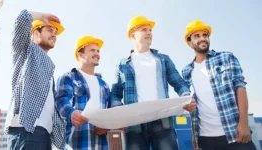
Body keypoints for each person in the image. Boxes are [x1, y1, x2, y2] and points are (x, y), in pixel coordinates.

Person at [110, 16, 196, 150]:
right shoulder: (122, 64)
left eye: (150, 30)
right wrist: (119, 113)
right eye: (144, 29)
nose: (149, 32)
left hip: (162, 122)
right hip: (134, 124)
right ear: (133, 35)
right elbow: (115, 93)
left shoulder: (162, 59)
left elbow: (178, 82)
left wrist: (186, 95)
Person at [182, 20, 257, 150]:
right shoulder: (187, 71)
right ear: (190, 43)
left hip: (234, 133)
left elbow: (240, 88)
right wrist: (194, 134)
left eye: (205, 35)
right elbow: (192, 104)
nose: (202, 39)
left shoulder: (226, 57)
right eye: (197, 36)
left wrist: (244, 123)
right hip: (206, 140)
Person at [4, 9, 66, 150]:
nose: (54, 35)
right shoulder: (25, 50)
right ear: (35, 33)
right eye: (49, 30)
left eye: (55, 33)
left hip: (44, 133)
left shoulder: (49, 65)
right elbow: (21, 19)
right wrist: (42, 17)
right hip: (25, 130)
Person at [55, 36, 110, 150]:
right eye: (92, 50)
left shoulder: (104, 85)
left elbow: (108, 112)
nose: (97, 53)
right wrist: (71, 113)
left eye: (98, 51)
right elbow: (62, 100)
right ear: (80, 54)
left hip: (101, 145)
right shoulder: (68, 78)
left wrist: (106, 126)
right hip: (76, 143)